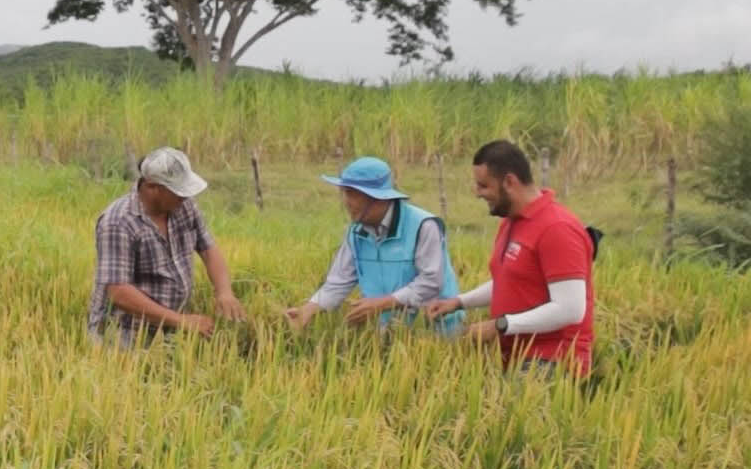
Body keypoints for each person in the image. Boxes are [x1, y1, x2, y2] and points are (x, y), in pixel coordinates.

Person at [425, 139, 596, 377]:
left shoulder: (557, 229)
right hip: (516, 355)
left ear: (509, 182)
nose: (477, 193)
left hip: (553, 360)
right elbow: (511, 281)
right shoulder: (511, 221)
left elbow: (570, 309)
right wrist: (458, 302)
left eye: (483, 185)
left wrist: (500, 326)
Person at [284, 156, 463, 335]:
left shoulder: (423, 226)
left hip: (433, 329)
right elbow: (338, 282)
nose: (346, 202)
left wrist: (381, 304)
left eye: (352, 194)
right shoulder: (356, 232)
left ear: (377, 199)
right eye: (345, 192)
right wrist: (307, 310)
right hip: (389, 332)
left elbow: (431, 282)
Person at [88, 146, 246, 346]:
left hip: (172, 326)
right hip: (126, 330)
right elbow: (118, 291)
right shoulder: (118, 222)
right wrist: (183, 321)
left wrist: (224, 292)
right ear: (153, 187)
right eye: (178, 192)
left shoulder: (183, 206)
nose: (185, 197)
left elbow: (208, 249)